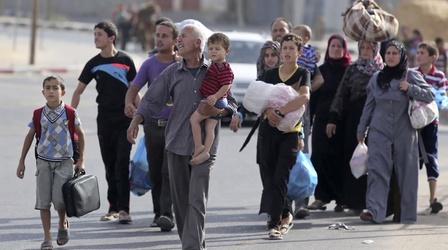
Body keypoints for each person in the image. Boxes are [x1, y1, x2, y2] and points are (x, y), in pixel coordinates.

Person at [127, 23, 237, 250]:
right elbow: (152, 98)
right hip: (176, 143)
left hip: (204, 149)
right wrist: (136, 120)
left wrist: (221, 111)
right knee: (181, 205)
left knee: (197, 201)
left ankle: (191, 247)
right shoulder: (172, 72)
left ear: (198, 43)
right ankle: (196, 244)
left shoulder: (215, 70)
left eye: (183, 37)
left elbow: (231, 102)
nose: (178, 40)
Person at [357, 40, 434, 224]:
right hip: (379, 130)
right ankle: (375, 212)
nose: (391, 56)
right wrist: (361, 129)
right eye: (388, 53)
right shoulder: (377, 78)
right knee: (377, 171)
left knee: (407, 173)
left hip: (405, 130)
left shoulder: (410, 75)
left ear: (401, 56)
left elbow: (431, 94)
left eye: (394, 53)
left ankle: (407, 215)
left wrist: (411, 89)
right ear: (383, 56)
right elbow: (369, 106)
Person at [71, 21, 137, 224]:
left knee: (121, 164)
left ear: (111, 38)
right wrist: (70, 116)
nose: (95, 38)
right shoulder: (93, 63)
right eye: (94, 34)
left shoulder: (126, 61)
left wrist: (141, 115)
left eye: (99, 34)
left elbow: (135, 91)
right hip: (105, 121)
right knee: (109, 165)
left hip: (125, 120)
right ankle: (113, 208)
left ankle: (124, 210)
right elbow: (78, 91)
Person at [17, 76, 85, 250]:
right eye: (48, 88)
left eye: (55, 87)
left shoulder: (70, 112)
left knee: (60, 200)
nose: (51, 91)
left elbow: (81, 134)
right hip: (43, 163)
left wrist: (81, 160)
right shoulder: (38, 113)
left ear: (63, 91)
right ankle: (47, 238)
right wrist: (22, 161)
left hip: (65, 162)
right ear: (43, 92)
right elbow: (30, 136)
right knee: (43, 201)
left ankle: (63, 224)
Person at [124, 20, 178, 231]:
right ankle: (159, 213)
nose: (160, 39)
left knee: (168, 171)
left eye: (165, 36)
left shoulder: (181, 64)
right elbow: (133, 88)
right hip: (153, 127)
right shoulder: (149, 64)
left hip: (176, 128)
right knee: (155, 171)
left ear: (175, 40)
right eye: (158, 35)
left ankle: (167, 213)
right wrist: (130, 103)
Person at [257, 33, 310, 240]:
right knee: (268, 177)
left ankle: (276, 221)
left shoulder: (302, 73)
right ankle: (283, 212)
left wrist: (280, 112)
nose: (287, 52)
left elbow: (304, 97)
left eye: (291, 48)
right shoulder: (270, 75)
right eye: (284, 48)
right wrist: (268, 112)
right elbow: (258, 99)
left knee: (281, 176)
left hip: (290, 134)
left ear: (299, 52)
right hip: (267, 132)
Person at [327, 40, 384, 214]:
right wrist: (333, 118)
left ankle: (370, 200)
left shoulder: (382, 71)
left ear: (376, 50)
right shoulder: (352, 69)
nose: (366, 51)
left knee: (374, 160)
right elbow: (341, 94)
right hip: (353, 120)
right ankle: (351, 201)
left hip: (376, 120)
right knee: (354, 158)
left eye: (369, 48)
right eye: (363, 48)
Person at [308, 34, 351, 212]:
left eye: (339, 46)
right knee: (319, 157)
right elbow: (313, 98)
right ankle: (321, 197)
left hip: (342, 121)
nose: (335, 49)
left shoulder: (349, 70)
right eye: (332, 46)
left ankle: (342, 199)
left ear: (344, 49)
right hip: (321, 120)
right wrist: (308, 122)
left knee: (340, 159)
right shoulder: (320, 70)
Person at [190, 33, 234, 165]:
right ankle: (205, 152)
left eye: (217, 49)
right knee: (209, 128)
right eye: (211, 48)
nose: (213, 51)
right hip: (215, 100)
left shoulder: (224, 68)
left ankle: (199, 146)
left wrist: (215, 96)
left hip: (217, 101)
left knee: (194, 120)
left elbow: (226, 85)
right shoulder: (214, 65)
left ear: (226, 51)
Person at [415, 42, 446, 214]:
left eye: (422, 53)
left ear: (433, 57)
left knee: (431, 157)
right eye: (418, 52)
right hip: (412, 122)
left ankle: (432, 198)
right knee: (412, 160)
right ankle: (408, 197)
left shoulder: (439, 76)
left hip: (431, 122)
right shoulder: (411, 73)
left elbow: (443, 100)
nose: (419, 55)